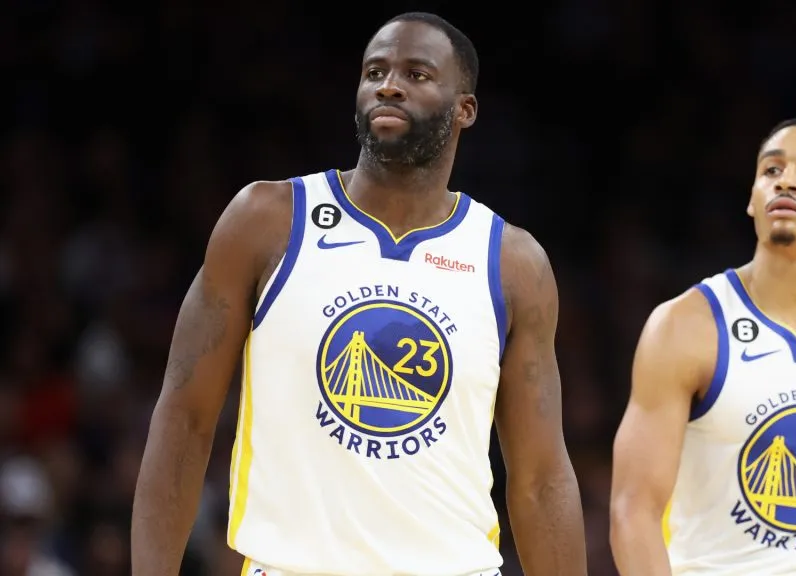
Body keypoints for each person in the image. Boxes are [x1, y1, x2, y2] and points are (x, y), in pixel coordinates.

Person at [131, 12, 586, 576]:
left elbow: (542, 478)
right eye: (376, 70)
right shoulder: (267, 222)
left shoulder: (512, 263)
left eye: (417, 74)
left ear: (464, 109)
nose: (389, 84)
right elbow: (184, 418)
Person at [609, 118, 796, 575]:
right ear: (752, 199)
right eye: (771, 170)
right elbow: (633, 511)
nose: (785, 180)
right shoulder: (687, 325)